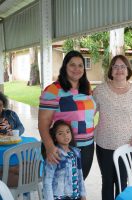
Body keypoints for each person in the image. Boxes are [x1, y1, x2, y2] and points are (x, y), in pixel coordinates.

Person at [93, 55, 132, 200]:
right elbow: (88, 113)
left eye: (123, 66)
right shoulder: (100, 90)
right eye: (115, 66)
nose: (119, 70)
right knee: (108, 182)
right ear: (111, 70)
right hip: (104, 144)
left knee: (122, 183)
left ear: (128, 70)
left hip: (127, 145)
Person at [38, 50, 96, 179]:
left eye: (80, 65)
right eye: (72, 65)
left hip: (87, 146)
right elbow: (43, 123)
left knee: (78, 185)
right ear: (65, 67)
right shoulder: (53, 90)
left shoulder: (86, 89)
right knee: (62, 189)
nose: (77, 69)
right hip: (63, 146)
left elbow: (87, 114)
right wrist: (49, 147)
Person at [43, 120, 86, 200]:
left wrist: (83, 194)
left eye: (67, 132)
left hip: (75, 195)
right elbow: (47, 180)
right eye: (60, 133)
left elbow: (80, 175)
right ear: (55, 138)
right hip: (59, 197)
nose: (65, 135)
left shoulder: (76, 152)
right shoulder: (54, 155)